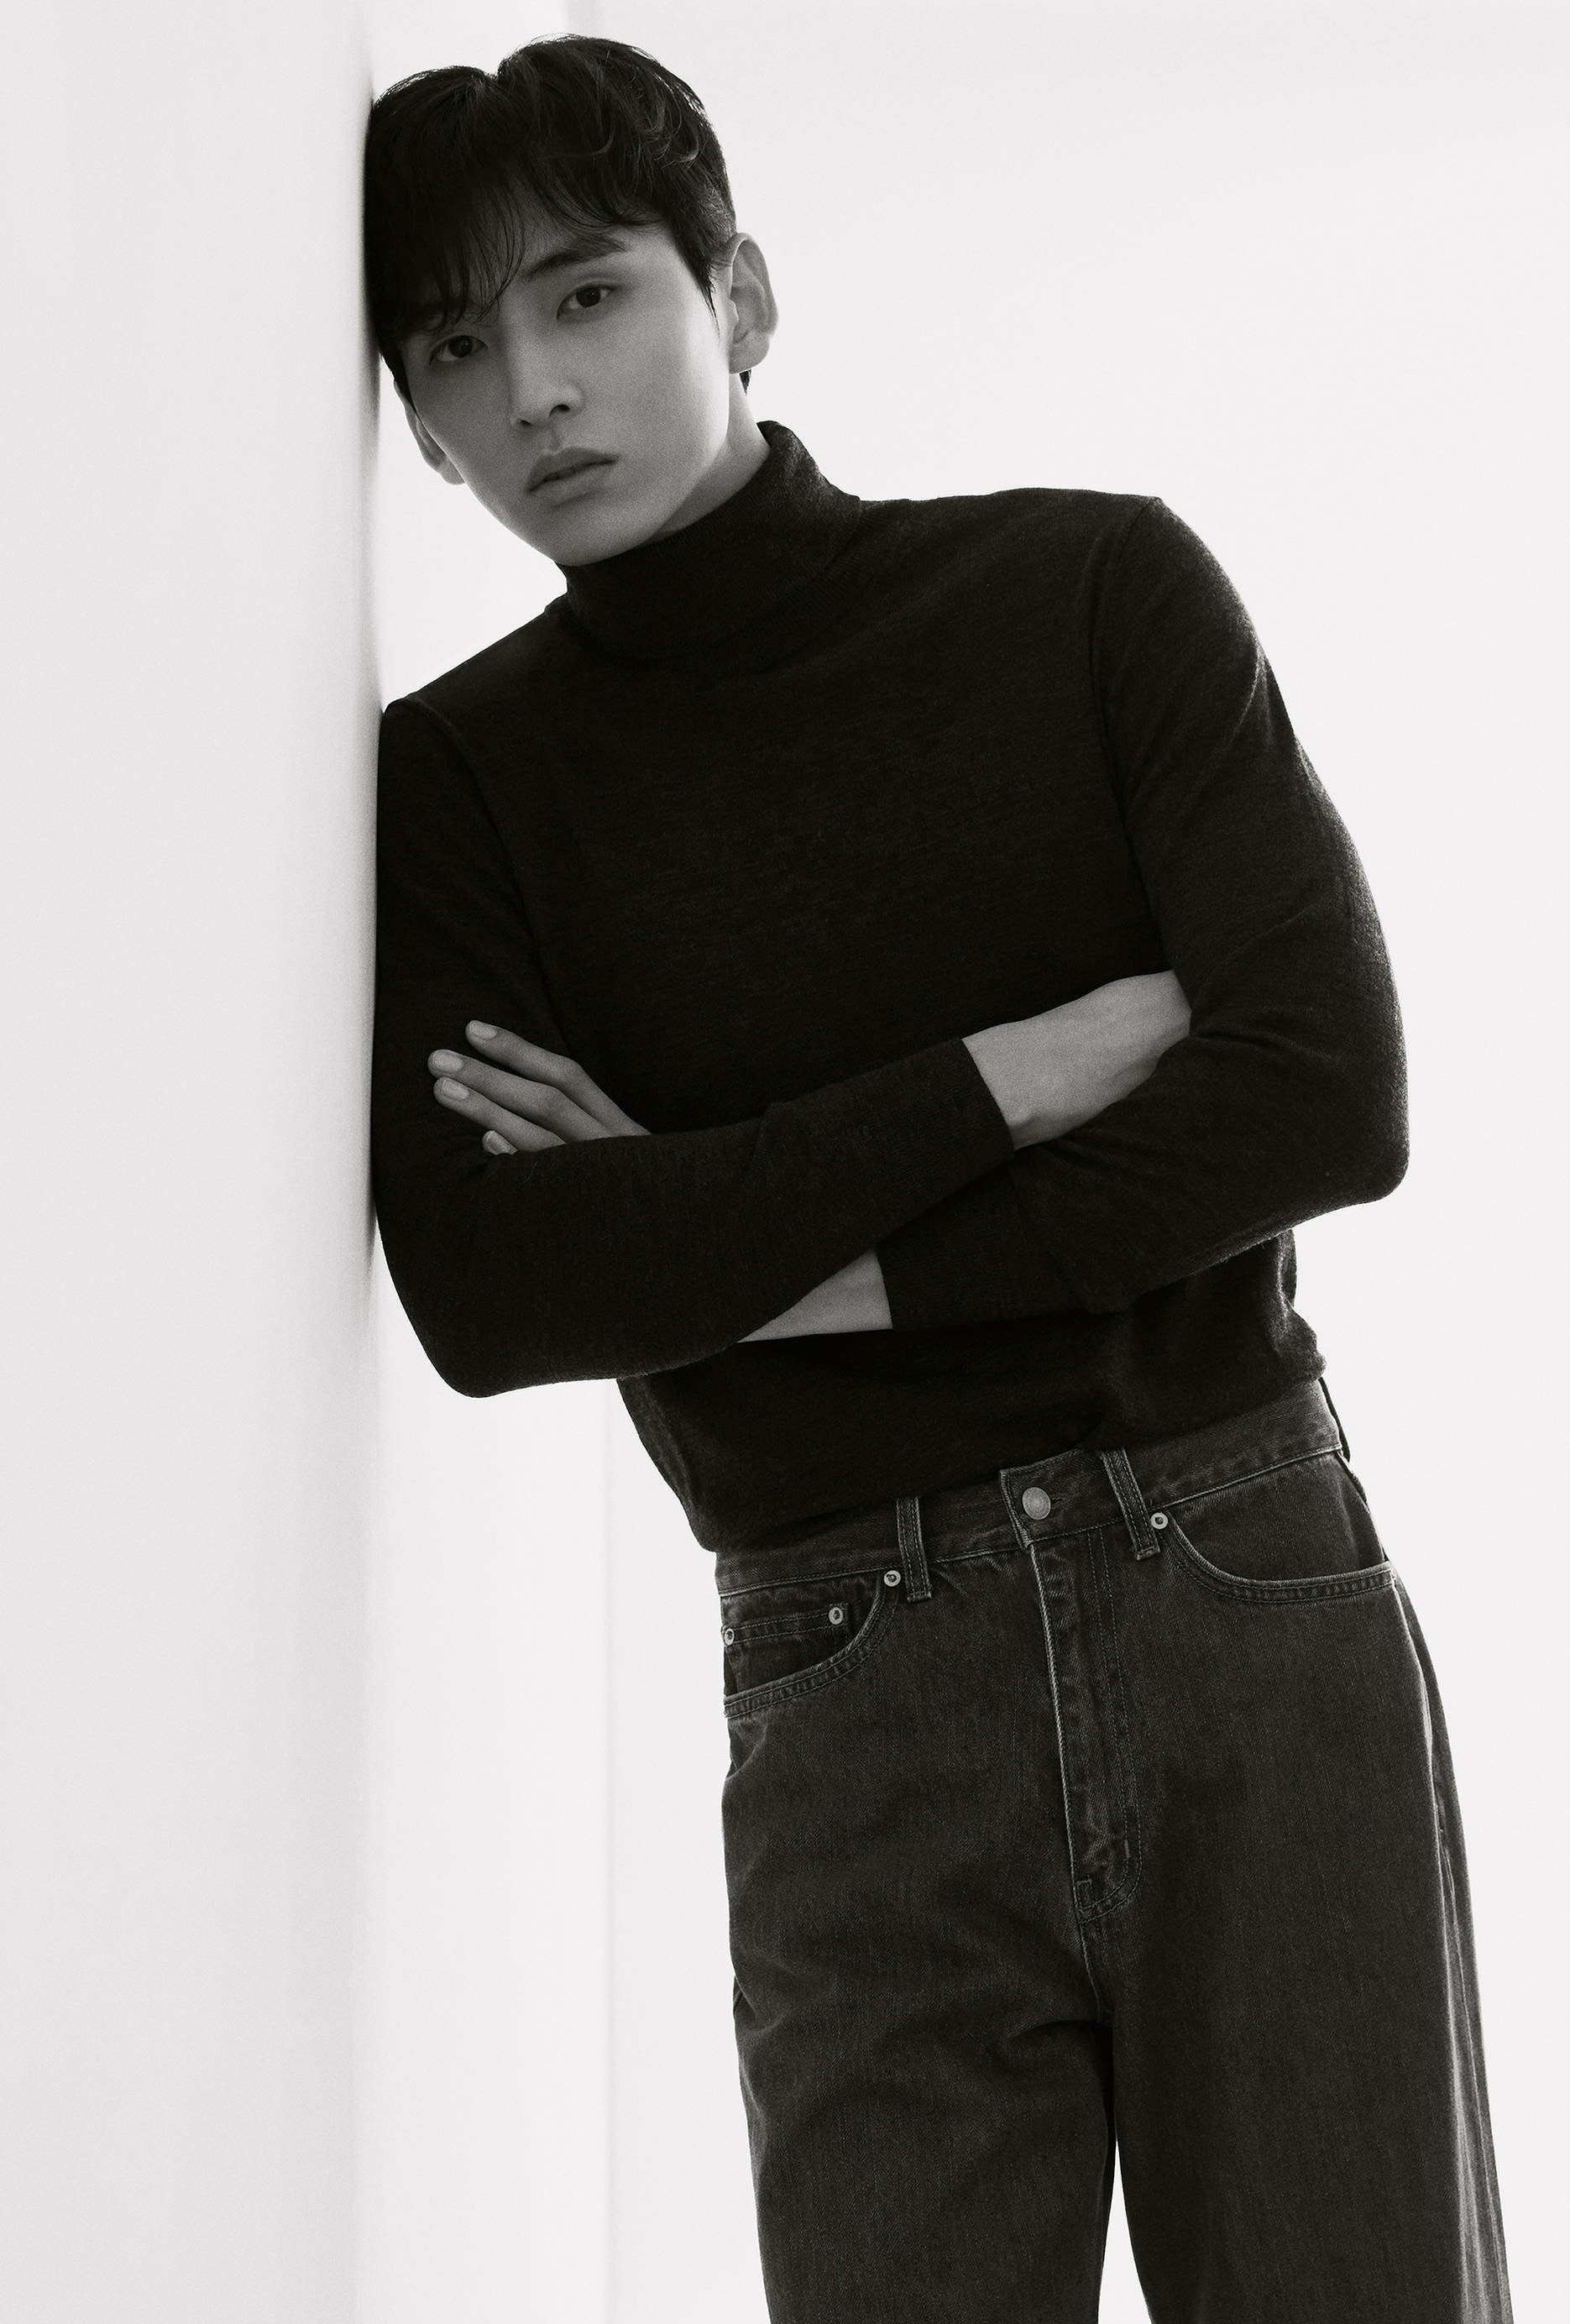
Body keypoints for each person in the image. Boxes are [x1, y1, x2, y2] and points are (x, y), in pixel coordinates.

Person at [363, 34, 1514, 2323]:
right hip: (850, 1670)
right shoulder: (460, 784)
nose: (534, 395)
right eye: (456, 350)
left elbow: (1325, 1097)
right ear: (415, 418)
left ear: (739, 296)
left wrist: (727, 1236)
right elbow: (501, 1296)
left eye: (588, 296)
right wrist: (1020, 1071)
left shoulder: (1091, 593)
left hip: (1240, 1574)